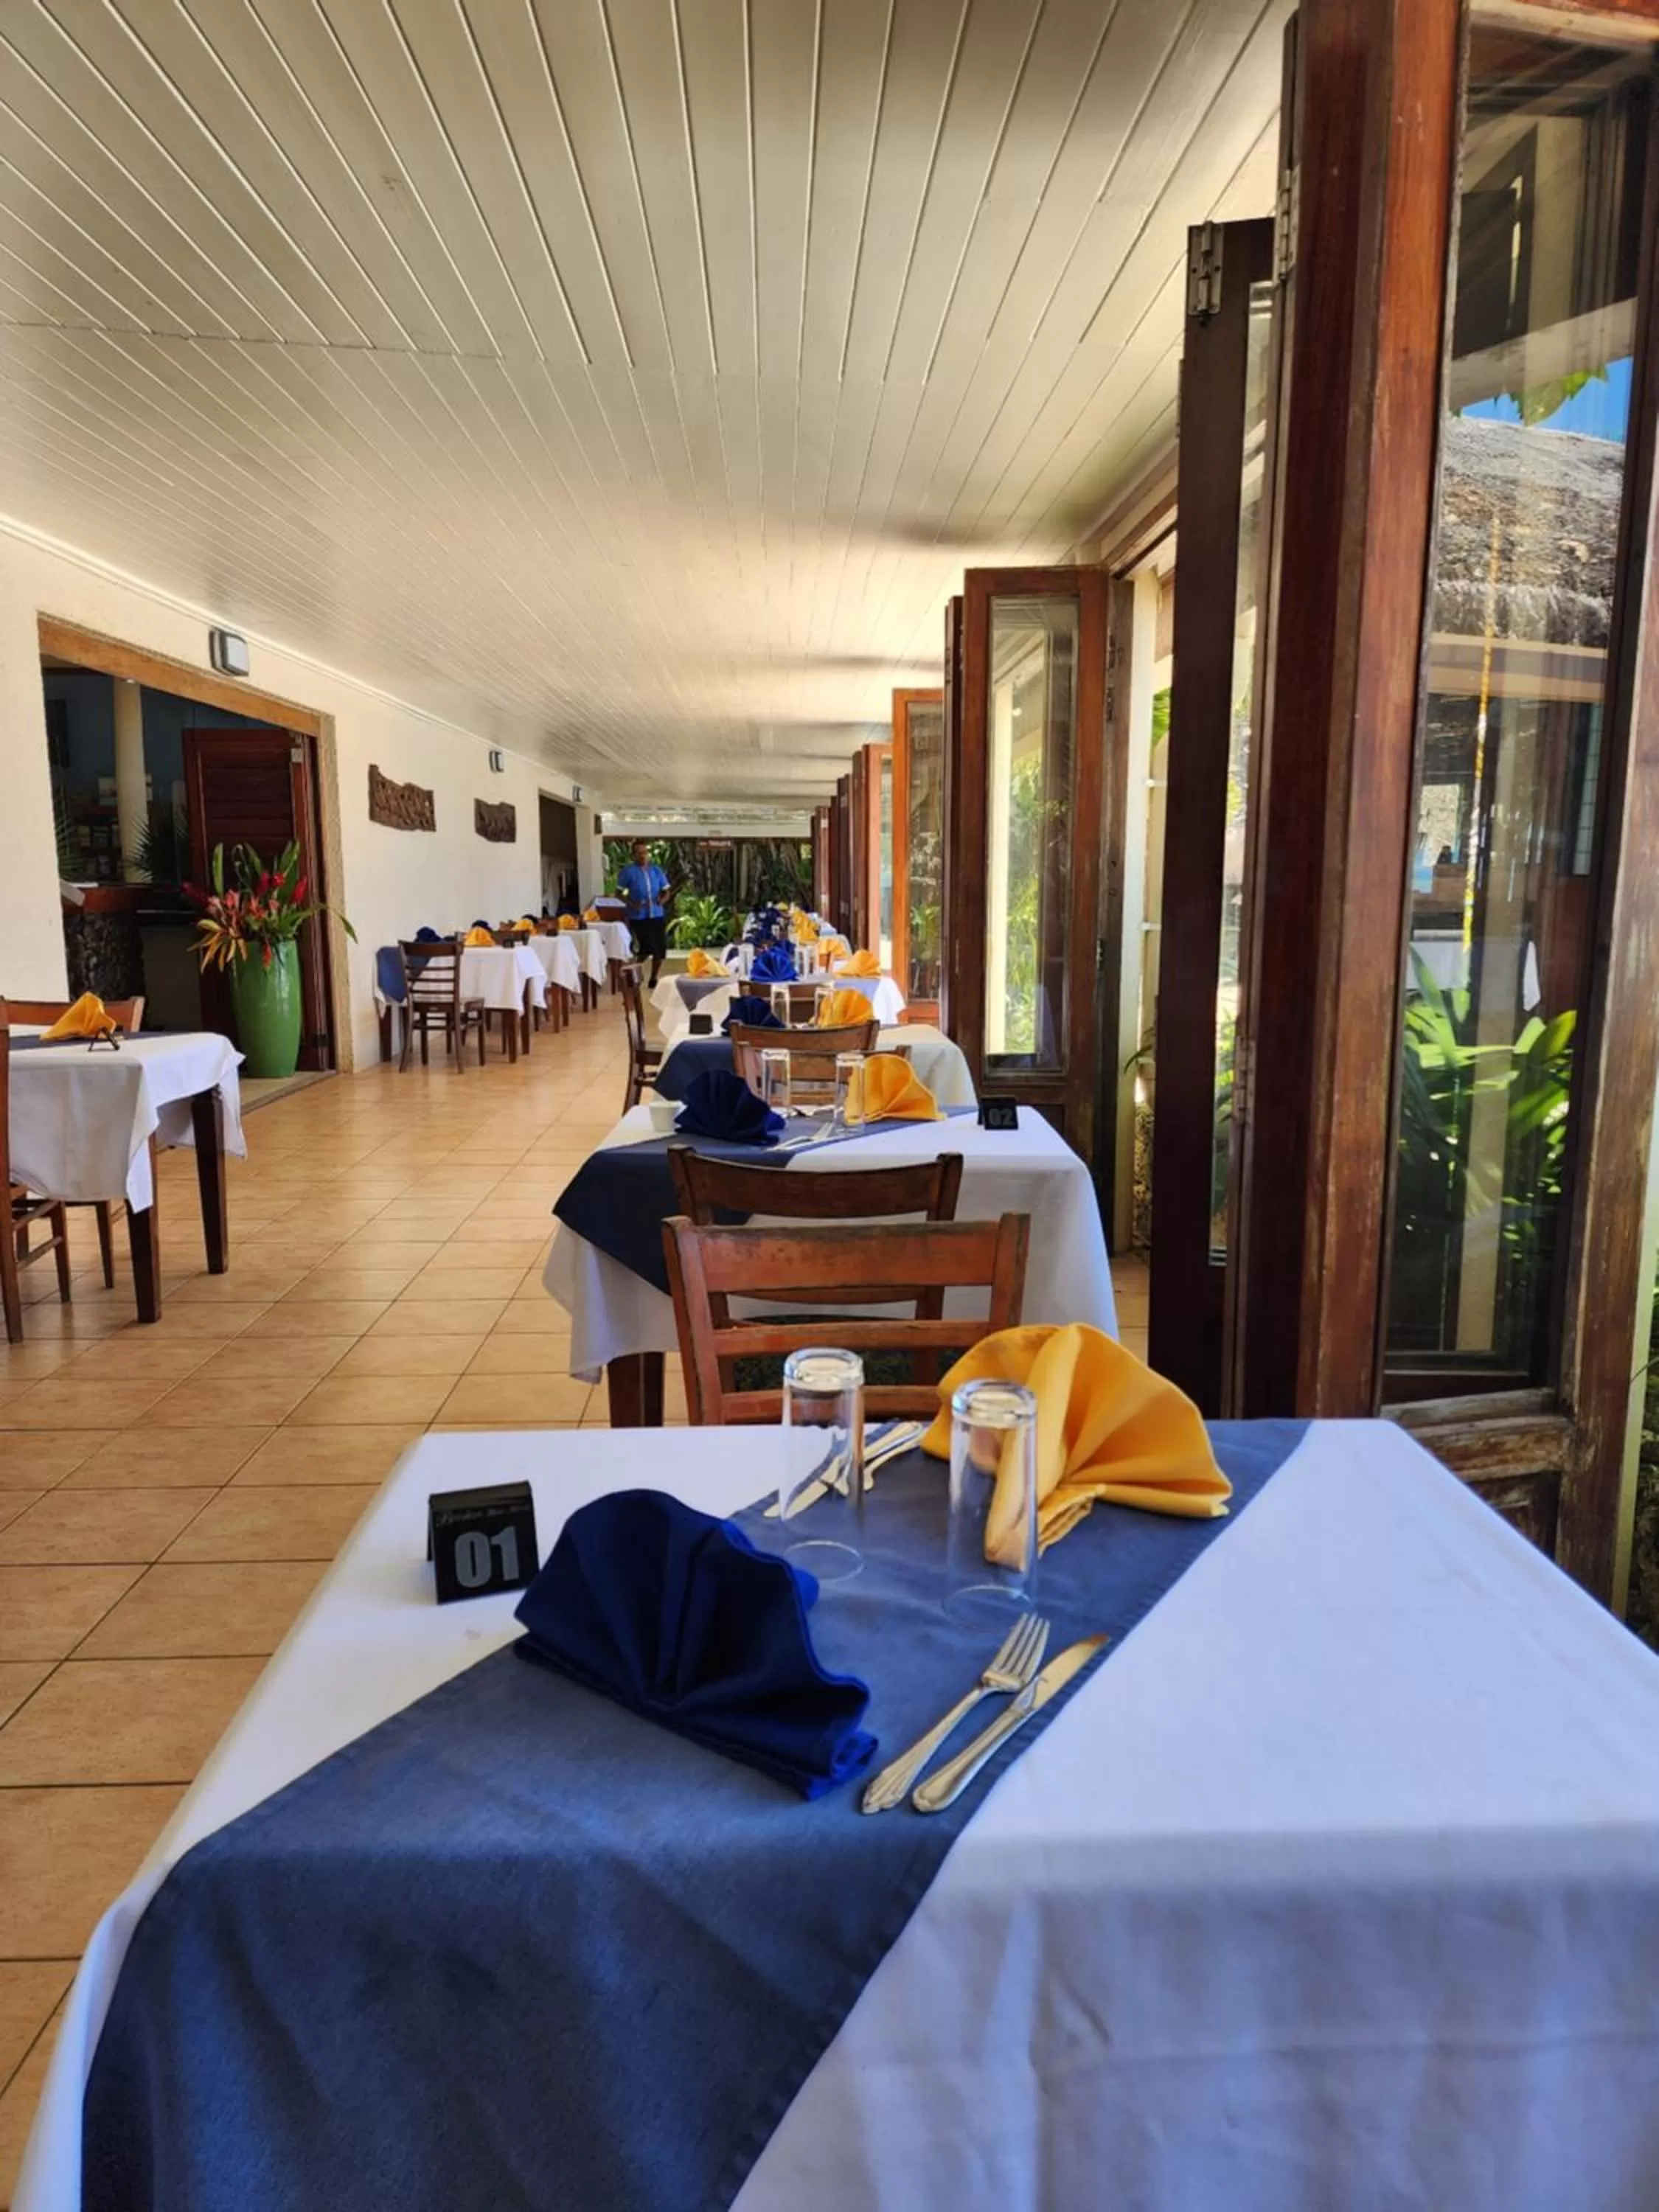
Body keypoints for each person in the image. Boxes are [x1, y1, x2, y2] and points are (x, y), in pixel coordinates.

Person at [616, 840, 672, 984]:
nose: (643, 856)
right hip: (639, 917)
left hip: (657, 915)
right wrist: (632, 903)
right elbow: (619, 893)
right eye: (639, 853)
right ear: (634, 855)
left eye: (645, 853)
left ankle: (654, 977)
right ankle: (634, 975)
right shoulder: (628, 871)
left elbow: (667, 891)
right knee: (646, 949)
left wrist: (662, 900)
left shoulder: (656, 870)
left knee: (659, 950)